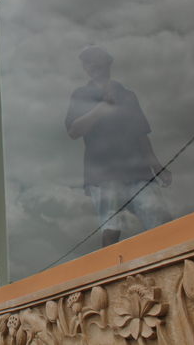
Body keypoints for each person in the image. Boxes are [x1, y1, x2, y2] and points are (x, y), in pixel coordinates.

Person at [65, 46, 172, 247]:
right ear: (85, 68)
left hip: (139, 172)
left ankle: (174, 262)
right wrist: (102, 106)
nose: (92, 63)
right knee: (111, 228)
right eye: (87, 61)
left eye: (97, 58)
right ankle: (110, 266)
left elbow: (141, 134)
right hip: (103, 173)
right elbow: (74, 131)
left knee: (161, 223)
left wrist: (157, 167)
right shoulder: (81, 94)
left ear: (108, 61)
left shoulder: (128, 95)